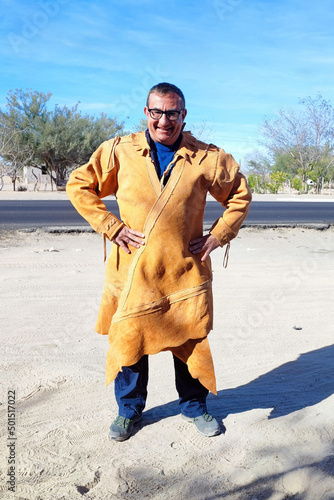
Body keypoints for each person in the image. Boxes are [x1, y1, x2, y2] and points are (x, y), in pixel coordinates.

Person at [66, 82, 251, 442]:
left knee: (190, 339)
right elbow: (79, 184)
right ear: (146, 113)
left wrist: (219, 235)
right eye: (157, 111)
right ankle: (129, 411)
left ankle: (195, 407)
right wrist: (111, 226)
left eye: (172, 113)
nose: (164, 120)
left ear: (183, 115)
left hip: (184, 270)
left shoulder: (206, 157)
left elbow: (239, 194)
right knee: (130, 339)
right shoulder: (120, 151)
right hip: (134, 272)